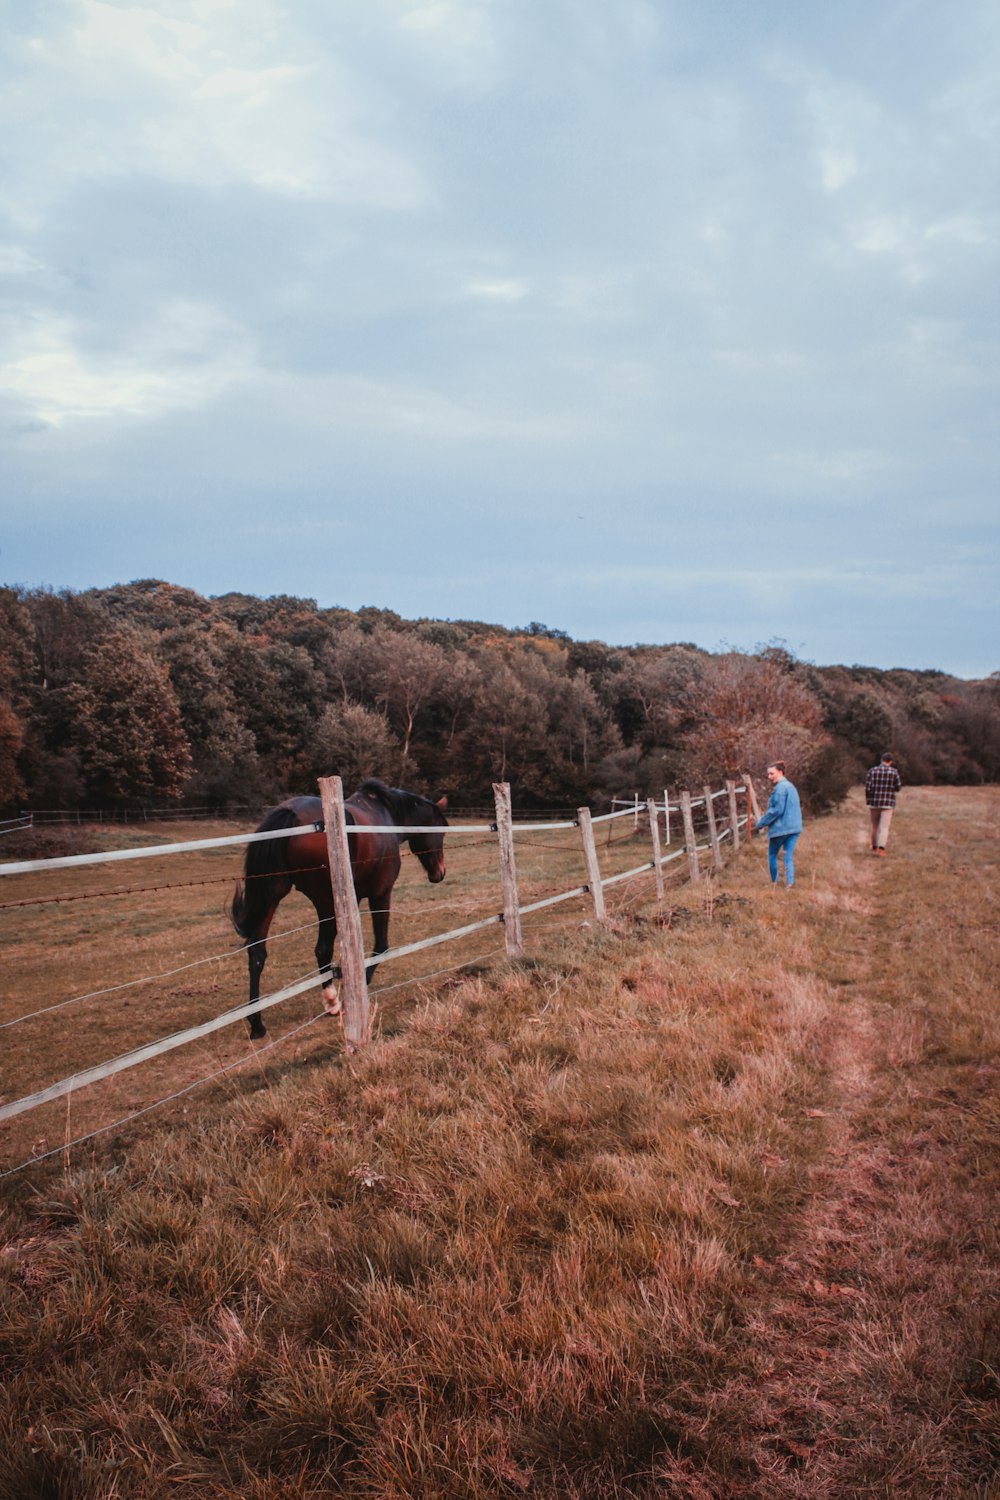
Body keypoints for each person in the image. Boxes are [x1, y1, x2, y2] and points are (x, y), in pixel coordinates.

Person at [755, 760, 802, 889]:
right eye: (768, 774)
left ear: (780, 772)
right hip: (794, 828)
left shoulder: (780, 788)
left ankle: (774, 882)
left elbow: (777, 810)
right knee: (788, 856)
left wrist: (761, 823)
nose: (769, 777)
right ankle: (789, 884)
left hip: (781, 829)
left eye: (772, 774)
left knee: (772, 855)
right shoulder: (791, 786)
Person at [865, 752, 901, 856]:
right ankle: (881, 849)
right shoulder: (894, 772)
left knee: (874, 826)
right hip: (888, 802)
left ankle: (874, 847)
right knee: (884, 827)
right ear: (891, 762)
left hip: (874, 802)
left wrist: (869, 800)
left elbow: (868, 787)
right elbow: (898, 787)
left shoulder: (872, 771)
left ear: (881, 760)